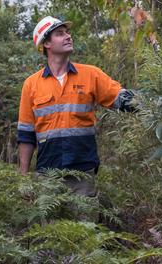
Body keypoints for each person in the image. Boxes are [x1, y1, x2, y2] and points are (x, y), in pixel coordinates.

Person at [17, 16, 135, 197]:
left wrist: (151, 103)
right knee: (50, 227)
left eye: (67, 32)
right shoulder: (31, 84)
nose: (68, 36)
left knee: (85, 226)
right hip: (47, 175)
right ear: (46, 43)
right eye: (60, 34)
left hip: (83, 173)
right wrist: (23, 177)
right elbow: (26, 135)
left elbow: (121, 98)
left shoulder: (91, 75)